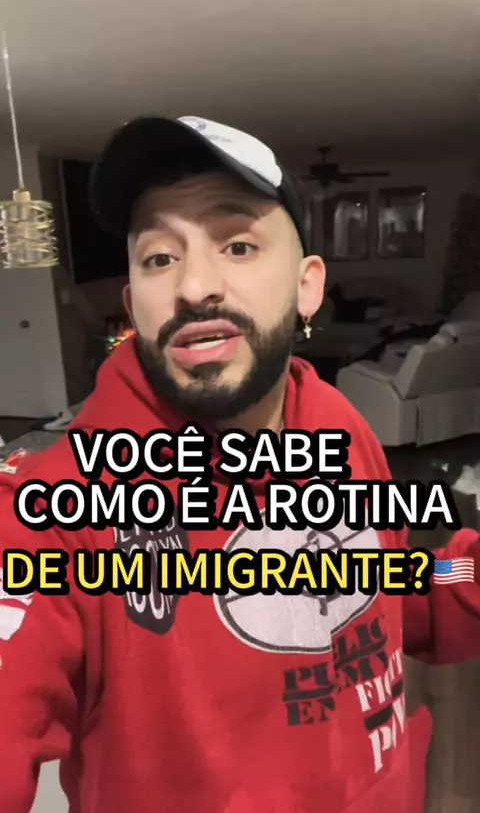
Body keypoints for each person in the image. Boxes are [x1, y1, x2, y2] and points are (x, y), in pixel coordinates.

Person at [0, 115, 479, 813]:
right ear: (134, 306)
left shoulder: (340, 425)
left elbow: (387, 585)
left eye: (239, 245)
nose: (195, 285)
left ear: (308, 286)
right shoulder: (52, 508)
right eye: (159, 258)